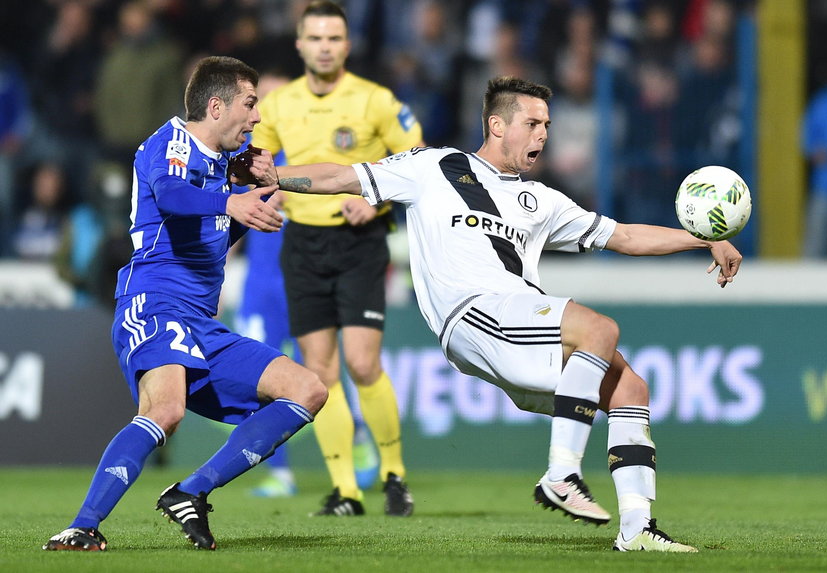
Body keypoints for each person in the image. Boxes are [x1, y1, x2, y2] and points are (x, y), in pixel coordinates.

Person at [267, 76, 744, 552]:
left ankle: (637, 528)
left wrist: (703, 238)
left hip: (514, 324)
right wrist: (273, 177)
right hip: (472, 313)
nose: (543, 134)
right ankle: (562, 474)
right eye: (532, 123)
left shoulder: (544, 201)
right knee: (600, 328)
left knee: (630, 389)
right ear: (497, 125)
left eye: (547, 125)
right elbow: (341, 177)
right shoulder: (434, 167)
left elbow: (625, 237)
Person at [42, 56, 327, 552]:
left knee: (307, 390)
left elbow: (212, 232)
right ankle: (82, 526)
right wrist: (230, 202)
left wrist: (253, 200)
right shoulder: (169, 142)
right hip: (152, 303)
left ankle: (190, 491)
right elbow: (172, 195)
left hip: (201, 322)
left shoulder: (224, 165)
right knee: (166, 410)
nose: (257, 116)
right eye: (250, 103)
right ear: (216, 107)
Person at [250, 0, 422, 517]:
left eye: (333, 38)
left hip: (360, 244)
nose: (324, 47)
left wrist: (378, 198)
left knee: (362, 363)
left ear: (346, 46)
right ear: (300, 45)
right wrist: (265, 187)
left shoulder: (376, 101)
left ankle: (394, 476)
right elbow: (252, 157)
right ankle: (346, 488)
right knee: (318, 371)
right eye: (315, 38)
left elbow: (417, 162)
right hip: (302, 244)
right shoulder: (279, 106)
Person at [801, 73, 827, 258]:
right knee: (817, 246)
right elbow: (808, 140)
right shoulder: (824, 101)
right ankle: (808, 285)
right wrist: (817, 152)